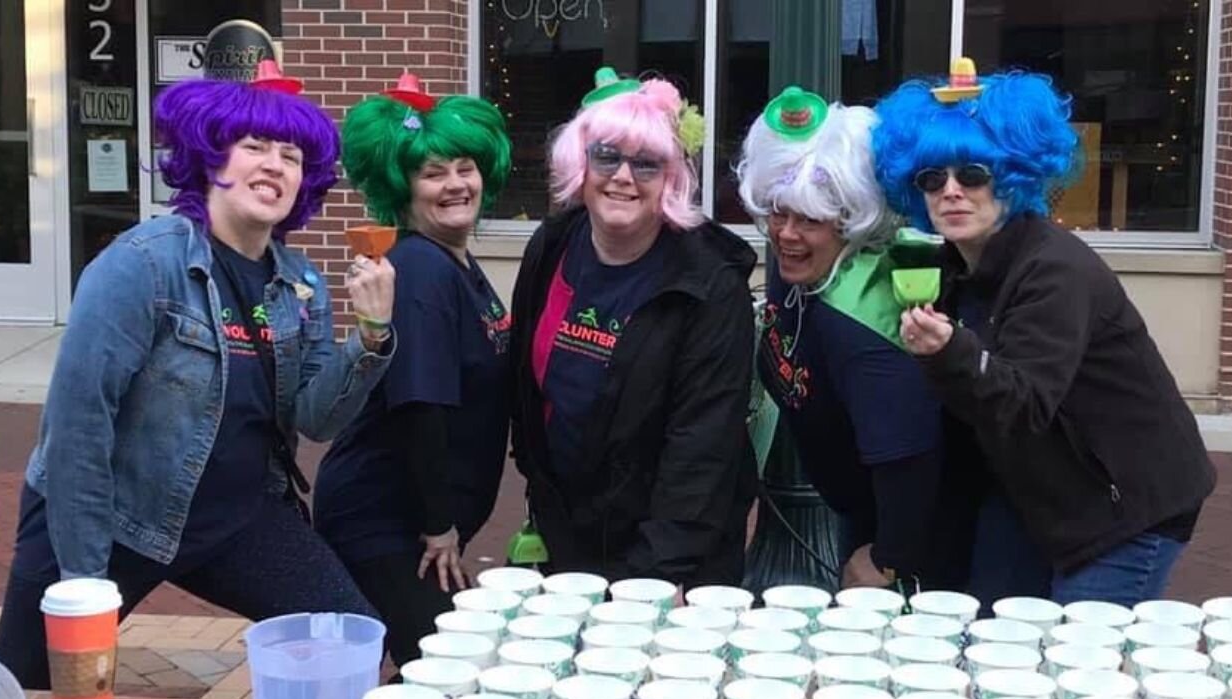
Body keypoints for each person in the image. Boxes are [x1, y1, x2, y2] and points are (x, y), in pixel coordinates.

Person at [0, 58, 397, 688]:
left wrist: (370, 335)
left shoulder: (301, 282)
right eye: (254, 146)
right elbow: (77, 427)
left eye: (291, 156)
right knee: (27, 687)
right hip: (114, 514)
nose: (275, 165)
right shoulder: (143, 265)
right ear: (211, 159)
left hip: (236, 516)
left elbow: (316, 418)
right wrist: (83, 578)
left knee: (351, 642)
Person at [874, 63, 1217, 608]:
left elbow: (1025, 401)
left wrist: (950, 350)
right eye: (931, 178)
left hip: (1122, 507)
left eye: (973, 174)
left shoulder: (1054, 270)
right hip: (1035, 494)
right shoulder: (956, 269)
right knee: (998, 642)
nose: (952, 192)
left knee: (1080, 667)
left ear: (1013, 176)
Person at [506, 69, 758, 591]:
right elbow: (527, 390)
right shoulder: (551, 247)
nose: (623, 176)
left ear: (671, 179)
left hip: (675, 557)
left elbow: (702, 449)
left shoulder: (710, 284)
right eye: (607, 156)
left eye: (646, 164)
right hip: (569, 533)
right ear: (582, 162)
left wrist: (652, 583)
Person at [313, 75, 514, 667]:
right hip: (390, 522)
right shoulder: (422, 269)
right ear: (401, 188)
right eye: (433, 173)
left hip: (417, 520)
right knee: (444, 670)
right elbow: (420, 405)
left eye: (464, 167)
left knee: (433, 667)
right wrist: (438, 527)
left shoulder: (458, 261)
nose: (455, 184)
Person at [735, 86, 963, 593]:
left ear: (851, 221)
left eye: (810, 219)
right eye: (778, 211)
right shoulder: (796, 268)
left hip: (916, 533)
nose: (787, 234)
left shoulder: (863, 323)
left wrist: (887, 559)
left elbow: (911, 457)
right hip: (858, 505)